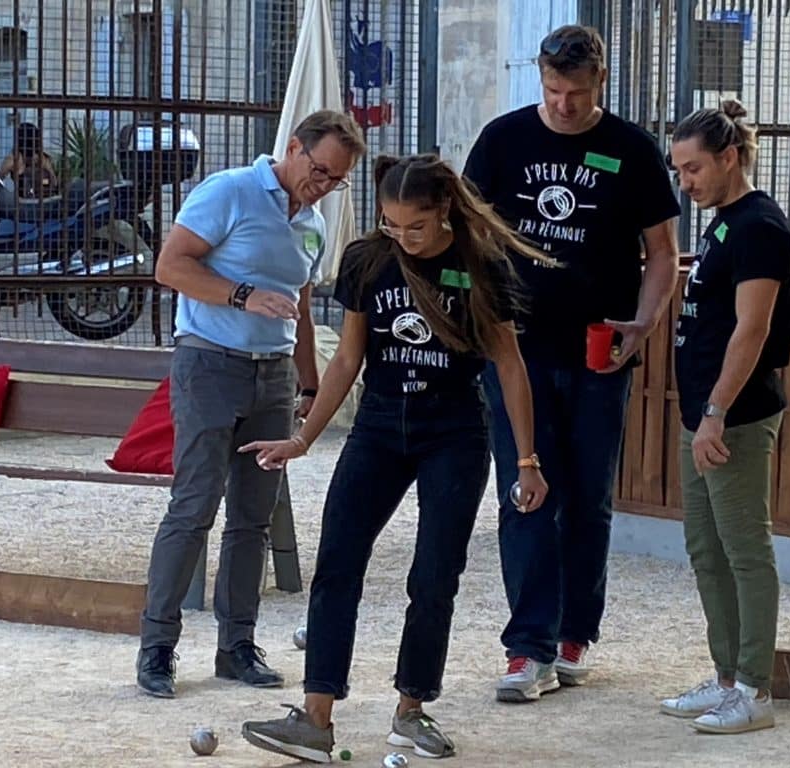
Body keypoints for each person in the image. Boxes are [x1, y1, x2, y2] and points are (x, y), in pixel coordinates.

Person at [239, 154, 550, 763]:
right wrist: (304, 437)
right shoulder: (368, 259)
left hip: (453, 430)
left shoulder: (480, 264)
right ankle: (316, 715)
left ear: (445, 215)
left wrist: (528, 460)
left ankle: (412, 709)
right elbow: (347, 359)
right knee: (337, 564)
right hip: (380, 425)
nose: (402, 237)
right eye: (390, 223)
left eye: (415, 226)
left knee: (435, 574)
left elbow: (509, 367)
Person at [463, 24, 680, 698]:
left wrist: (642, 326)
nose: (562, 105)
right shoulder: (502, 139)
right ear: (541, 80)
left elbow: (663, 254)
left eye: (576, 93)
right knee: (527, 489)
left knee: (588, 496)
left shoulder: (631, 149)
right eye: (553, 90)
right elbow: (464, 234)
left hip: (599, 354)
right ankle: (526, 648)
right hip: (516, 351)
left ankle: (573, 631)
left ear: (601, 82)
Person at [135, 109, 366, 698]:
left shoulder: (312, 223)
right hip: (210, 362)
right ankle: (157, 647)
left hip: (273, 377)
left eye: (336, 179)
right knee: (193, 508)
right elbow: (170, 266)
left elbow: (301, 308)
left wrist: (309, 385)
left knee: (253, 519)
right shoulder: (231, 190)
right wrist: (241, 295)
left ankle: (237, 644)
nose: (323, 185)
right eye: (319, 170)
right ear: (293, 148)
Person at [660, 101, 790, 734]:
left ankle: (755, 689)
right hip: (703, 414)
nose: (684, 183)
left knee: (744, 551)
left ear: (729, 158)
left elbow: (753, 328)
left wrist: (716, 411)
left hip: (735, 416)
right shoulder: (720, 224)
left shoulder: (758, 226)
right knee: (705, 550)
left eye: (693, 169)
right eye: (678, 171)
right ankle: (725, 679)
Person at [0, 122, 59, 198]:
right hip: (45, 203)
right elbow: (55, 183)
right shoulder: (43, 158)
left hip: (23, 204)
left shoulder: (13, 159)